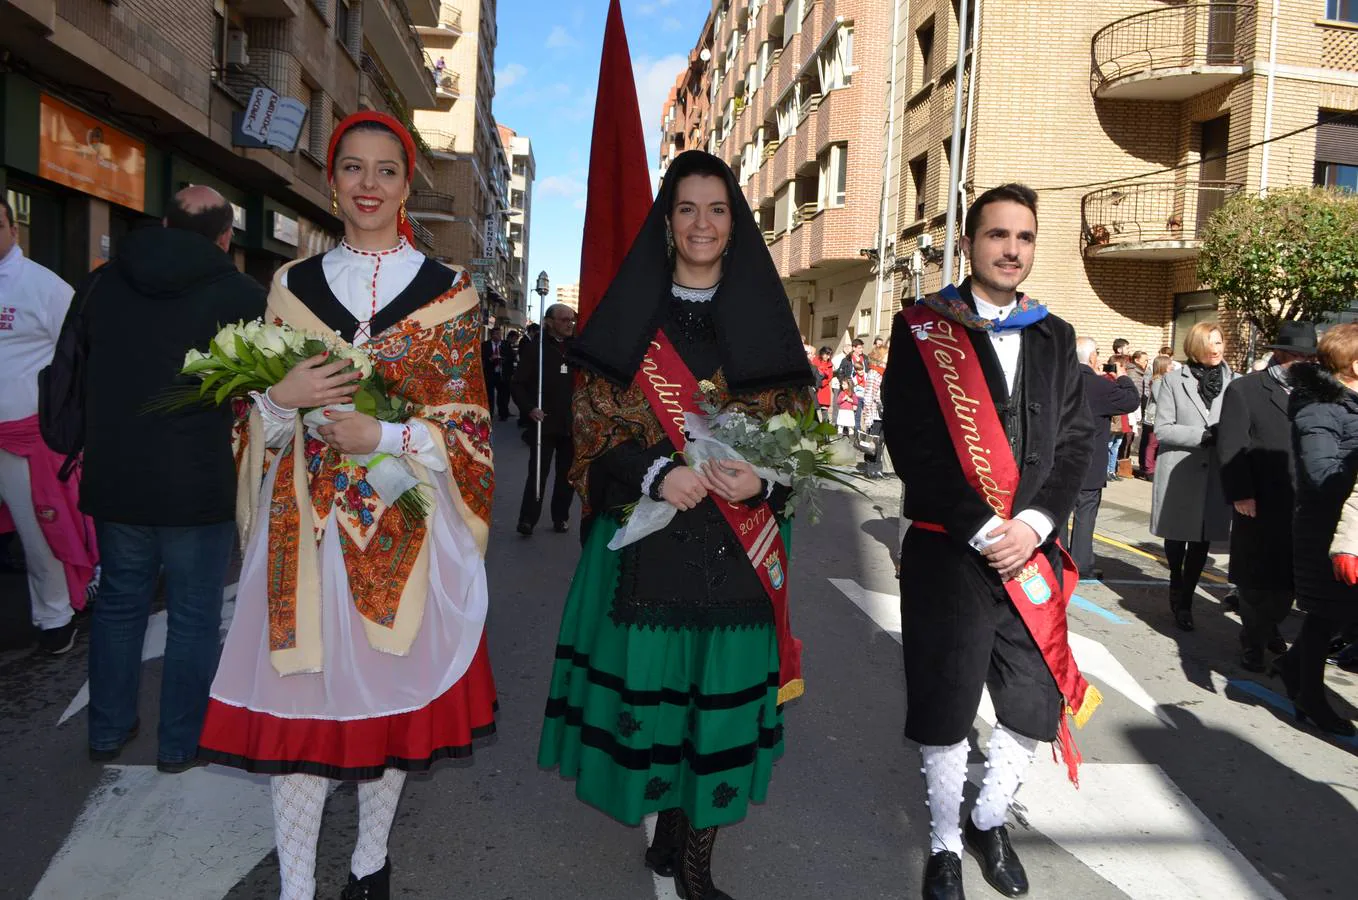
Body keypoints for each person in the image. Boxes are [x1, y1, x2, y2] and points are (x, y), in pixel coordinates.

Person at [196, 112, 498, 900]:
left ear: (407, 184)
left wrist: (387, 434)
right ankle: (298, 889)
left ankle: (370, 867)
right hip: (303, 532)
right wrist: (277, 395)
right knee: (298, 709)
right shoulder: (289, 289)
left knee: (387, 704)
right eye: (354, 169)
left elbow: (466, 427)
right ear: (331, 181)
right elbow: (253, 427)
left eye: (387, 170)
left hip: (403, 530)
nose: (369, 184)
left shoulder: (452, 296)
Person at [538, 150, 815, 900]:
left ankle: (695, 863)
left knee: (717, 711)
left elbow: (800, 435)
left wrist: (766, 475)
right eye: (687, 209)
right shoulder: (631, 313)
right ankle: (664, 825)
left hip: (739, 549)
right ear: (668, 221)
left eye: (717, 209)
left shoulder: (765, 315)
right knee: (659, 703)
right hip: (646, 544)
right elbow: (591, 428)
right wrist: (659, 472)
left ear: (736, 223)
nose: (702, 224)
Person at [883, 183, 1096, 900]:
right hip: (951, 548)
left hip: (1028, 551)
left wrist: (1034, 525)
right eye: (998, 235)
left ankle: (986, 815)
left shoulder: (1054, 334)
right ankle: (945, 841)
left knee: (1034, 697)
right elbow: (913, 442)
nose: (1011, 249)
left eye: (1025, 238)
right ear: (971, 242)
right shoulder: (921, 327)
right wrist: (982, 526)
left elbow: (1073, 443)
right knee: (946, 699)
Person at [78, 186, 265, 770]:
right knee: (193, 617)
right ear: (226, 237)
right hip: (197, 480)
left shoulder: (102, 281)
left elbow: (73, 365)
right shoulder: (241, 295)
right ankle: (181, 742)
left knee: (117, 606)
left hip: (116, 474)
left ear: (162, 223)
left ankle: (107, 729)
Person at [0, 198, 95, 655]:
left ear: (13, 229)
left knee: (39, 533)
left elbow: (81, 355)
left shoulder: (43, 287)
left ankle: (55, 617)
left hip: (25, 439)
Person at [1271, 324, 1358, 737]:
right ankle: (1309, 695)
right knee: (1328, 615)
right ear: (1354, 365)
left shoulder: (1348, 404)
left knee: (1338, 614)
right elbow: (1322, 474)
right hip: (1325, 529)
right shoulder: (1320, 407)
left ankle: (1293, 669)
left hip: (1346, 526)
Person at [1217, 322, 1317, 672]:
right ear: (1281, 354)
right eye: (1297, 356)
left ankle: (1266, 627)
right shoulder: (1245, 390)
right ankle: (1253, 642)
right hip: (1259, 500)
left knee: (1288, 579)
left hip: (1302, 502)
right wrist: (1241, 493)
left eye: (1310, 357)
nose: (1304, 363)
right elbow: (1231, 446)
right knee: (1256, 580)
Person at [1150, 321, 1236, 631]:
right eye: (1210, 342)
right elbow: (1163, 429)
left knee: (1202, 539)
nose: (1216, 348)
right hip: (1180, 470)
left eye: (1220, 342)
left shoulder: (1235, 382)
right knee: (1177, 537)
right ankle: (1176, 577)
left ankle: (1185, 598)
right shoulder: (1173, 381)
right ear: (1196, 346)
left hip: (1215, 472)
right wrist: (1205, 435)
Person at [1066, 338, 1139, 581]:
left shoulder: (1059, 382)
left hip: (1061, 461)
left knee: (1058, 512)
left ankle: (1057, 560)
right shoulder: (1098, 385)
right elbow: (1130, 400)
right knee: (1085, 514)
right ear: (1093, 357)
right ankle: (1081, 564)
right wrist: (1122, 376)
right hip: (1089, 462)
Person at [512, 302, 577, 535]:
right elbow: (517, 384)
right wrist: (529, 408)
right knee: (538, 474)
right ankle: (528, 519)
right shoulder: (535, 348)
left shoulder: (576, 348)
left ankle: (561, 517)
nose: (570, 324)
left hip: (570, 424)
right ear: (549, 322)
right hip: (543, 423)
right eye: (564, 319)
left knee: (567, 476)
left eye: (572, 319)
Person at [1139, 354, 1173, 479]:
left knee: (1156, 444)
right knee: (1153, 443)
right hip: (1154, 418)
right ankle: (1149, 469)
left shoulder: (1164, 380)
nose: (1172, 366)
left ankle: (1153, 467)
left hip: (1160, 417)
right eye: (1170, 364)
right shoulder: (1158, 382)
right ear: (1163, 366)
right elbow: (1161, 399)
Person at [860, 346, 888, 478]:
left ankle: (878, 467)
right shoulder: (874, 373)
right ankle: (871, 468)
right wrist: (867, 416)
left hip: (883, 412)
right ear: (880, 357)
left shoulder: (884, 372)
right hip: (875, 413)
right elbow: (869, 396)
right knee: (873, 441)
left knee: (881, 440)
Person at [481, 325, 514, 421]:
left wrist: (504, 359)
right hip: (490, 374)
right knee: (489, 396)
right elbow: (482, 357)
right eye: (497, 334)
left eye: (500, 334)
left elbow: (511, 357)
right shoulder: (485, 345)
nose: (499, 336)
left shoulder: (505, 344)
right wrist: (490, 359)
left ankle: (503, 414)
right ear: (492, 335)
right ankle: (489, 414)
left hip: (502, 373)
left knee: (503, 395)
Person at [813, 346, 834, 420]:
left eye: (829, 355)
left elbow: (830, 377)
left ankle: (825, 426)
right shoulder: (816, 361)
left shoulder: (830, 364)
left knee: (824, 410)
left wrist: (822, 383)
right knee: (814, 409)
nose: (827, 357)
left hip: (824, 389)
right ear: (822, 353)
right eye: (826, 354)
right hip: (815, 387)